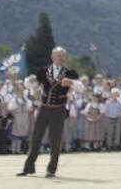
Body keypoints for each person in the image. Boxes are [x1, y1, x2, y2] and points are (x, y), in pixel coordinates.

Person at [17, 47, 85, 178]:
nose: (61, 58)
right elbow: (30, 85)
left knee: (55, 140)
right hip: (44, 108)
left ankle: (51, 169)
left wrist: (71, 82)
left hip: (59, 109)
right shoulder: (43, 71)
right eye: (59, 55)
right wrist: (29, 81)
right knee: (35, 138)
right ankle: (28, 167)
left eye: (63, 55)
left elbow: (81, 88)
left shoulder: (70, 72)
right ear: (52, 56)